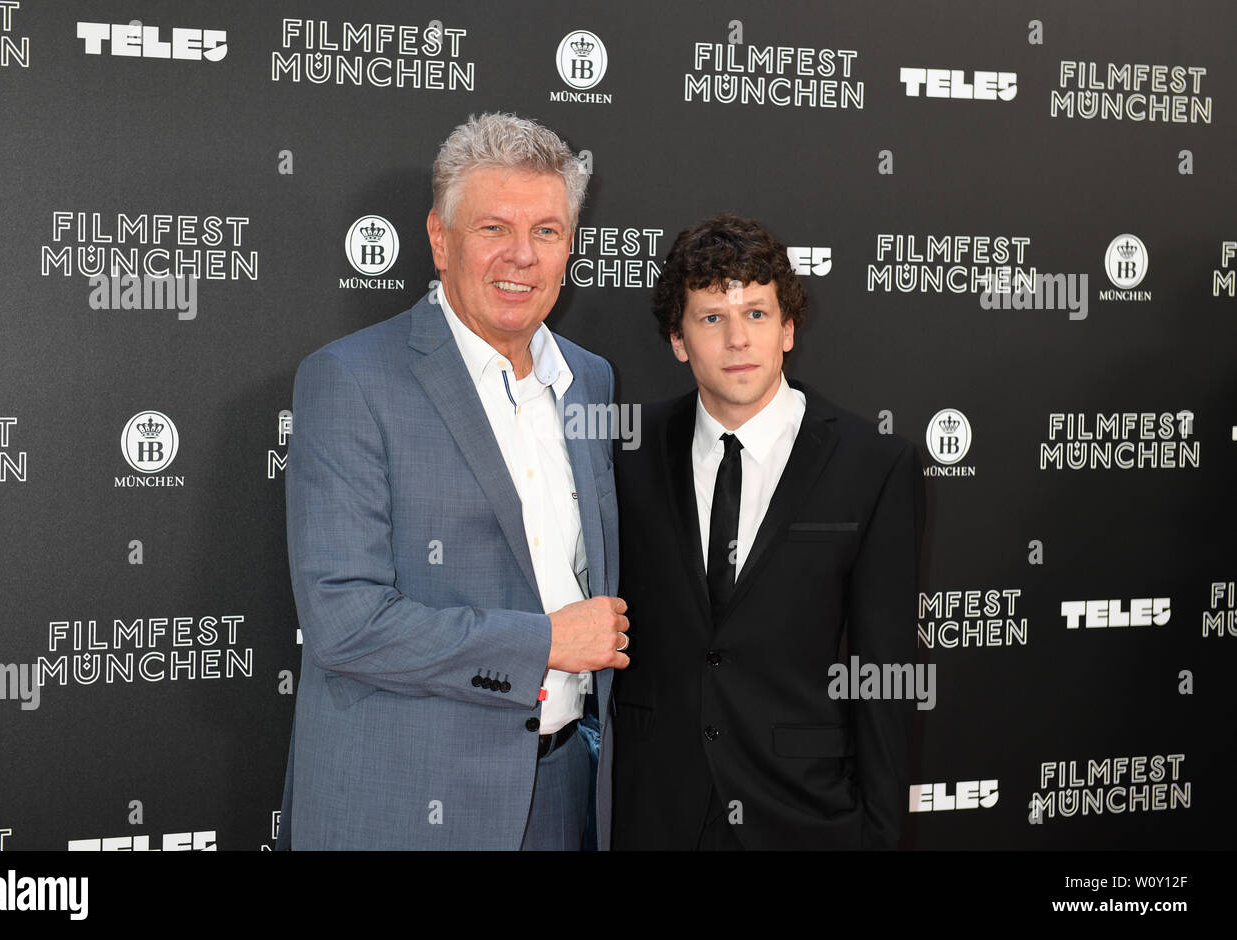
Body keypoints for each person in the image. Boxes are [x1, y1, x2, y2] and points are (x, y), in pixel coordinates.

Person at [278, 113, 628, 850]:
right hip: (409, 803)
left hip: (564, 794)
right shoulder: (350, 380)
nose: (521, 257)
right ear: (440, 239)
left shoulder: (589, 380)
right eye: (493, 228)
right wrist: (542, 643)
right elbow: (344, 621)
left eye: (546, 231)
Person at [611, 213, 924, 849]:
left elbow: (882, 672)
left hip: (803, 813)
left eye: (755, 314)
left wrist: (882, 836)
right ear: (678, 339)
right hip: (655, 812)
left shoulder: (873, 463)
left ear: (787, 329)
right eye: (710, 317)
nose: (736, 340)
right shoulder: (628, 452)